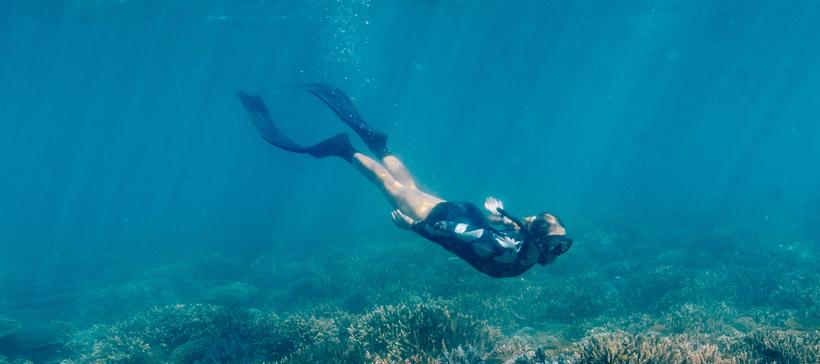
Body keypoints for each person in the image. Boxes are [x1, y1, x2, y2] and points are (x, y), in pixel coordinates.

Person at [237, 84, 573, 278]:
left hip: (460, 213)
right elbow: (462, 234)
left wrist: (497, 217)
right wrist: (413, 226)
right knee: (392, 187)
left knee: (409, 185)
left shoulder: (521, 241)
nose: (559, 247)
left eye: (556, 237)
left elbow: (490, 234)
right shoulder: (521, 248)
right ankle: (343, 149)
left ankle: (379, 144)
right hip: (445, 219)